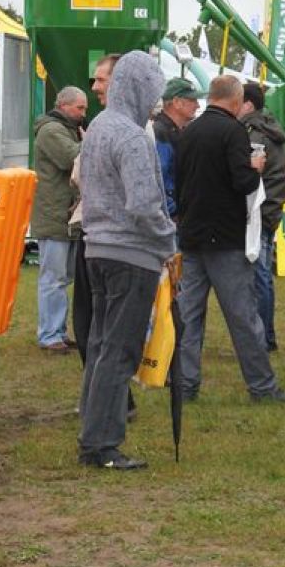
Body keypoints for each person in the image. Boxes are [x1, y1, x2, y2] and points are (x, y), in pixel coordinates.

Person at [78, 51, 176, 470]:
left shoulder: (99, 126)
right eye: (153, 94)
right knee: (119, 350)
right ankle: (101, 444)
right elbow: (142, 205)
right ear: (138, 88)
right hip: (129, 255)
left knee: (101, 345)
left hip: (96, 248)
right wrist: (169, 241)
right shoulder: (133, 136)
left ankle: (93, 429)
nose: (156, 104)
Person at [175, 74, 285, 403]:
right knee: (243, 316)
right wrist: (255, 167)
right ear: (235, 100)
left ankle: (185, 385)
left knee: (188, 317)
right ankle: (262, 386)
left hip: (190, 237)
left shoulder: (187, 132)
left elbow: (177, 180)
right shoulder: (233, 132)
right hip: (225, 239)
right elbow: (243, 183)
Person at [71, 53, 122, 364]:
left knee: (95, 323)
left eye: (101, 79)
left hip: (104, 238)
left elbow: (78, 176)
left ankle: (110, 399)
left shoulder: (107, 126)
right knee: (100, 323)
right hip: (107, 236)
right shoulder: (132, 124)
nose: (94, 87)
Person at [30, 85, 87, 352]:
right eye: (80, 108)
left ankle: (58, 331)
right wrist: (90, 142)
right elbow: (72, 158)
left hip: (63, 216)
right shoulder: (52, 131)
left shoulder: (65, 130)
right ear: (64, 106)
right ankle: (50, 334)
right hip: (54, 216)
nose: (83, 113)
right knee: (53, 279)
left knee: (62, 278)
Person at [239, 82, 285, 352]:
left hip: (258, 214)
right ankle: (264, 337)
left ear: (247, 104)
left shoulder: (253, 134)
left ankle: (262, 339)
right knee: (262, 276)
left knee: (258, 277)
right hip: (269, 211)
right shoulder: (268, 127)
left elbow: (248, 174)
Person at [153, 76, 202, 216]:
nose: (198, 105)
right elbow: (158, 180)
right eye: (193, 100)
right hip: (170, 218)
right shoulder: (161, 133)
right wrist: (175, 210)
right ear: (176, 102)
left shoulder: (173, 132)